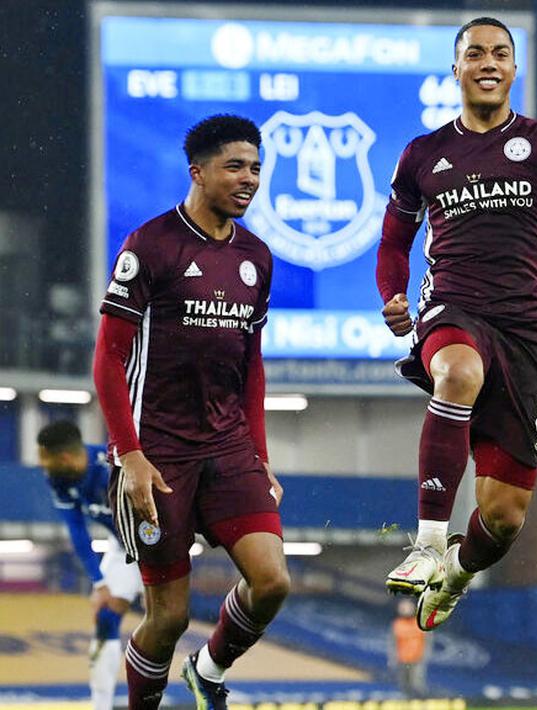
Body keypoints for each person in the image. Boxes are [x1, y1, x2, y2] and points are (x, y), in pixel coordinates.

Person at [377, 15, 537, 631]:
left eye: (500, 54)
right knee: (456, 371)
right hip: (454, 311)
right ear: (455, 69)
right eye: (474, 53)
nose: (487, 62)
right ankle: (428, 542)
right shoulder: (424, 154)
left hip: (530, 338)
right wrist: (392, 296)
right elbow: (394, 238)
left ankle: (454, 571)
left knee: (504, 518)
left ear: (513, 68)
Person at [93, 114, 289, 709]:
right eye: (235, 167)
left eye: (255, 168)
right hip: (158, 457)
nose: (249, 179)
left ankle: (208, 673)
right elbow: (107, 359)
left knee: (273, 582)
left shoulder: (257, 257)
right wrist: (130, 456)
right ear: (197, 172)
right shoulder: (151, 246)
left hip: (229, 451)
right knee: (168, 617)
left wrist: (260, 456)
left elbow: (250, 367)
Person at [36, 421, 143, 710]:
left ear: (65, 458)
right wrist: (100, 582)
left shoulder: (112, 466)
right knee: (105, 617)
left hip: (158, 545)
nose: (43, 468)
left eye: (46, 460)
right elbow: (77, 530)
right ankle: (101, 706)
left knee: (165, 621)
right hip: (123, 549)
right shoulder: (59, 480)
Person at [390, 598, 432, 696]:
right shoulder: (397, 624)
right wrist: (393, 658)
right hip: (402, 660)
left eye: (407, 607)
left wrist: (424, 657)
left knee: (417, 684)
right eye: (402, 608)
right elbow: (392, 643)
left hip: (417, 660)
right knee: (403, 685)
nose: (404, 610)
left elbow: (428, 641)